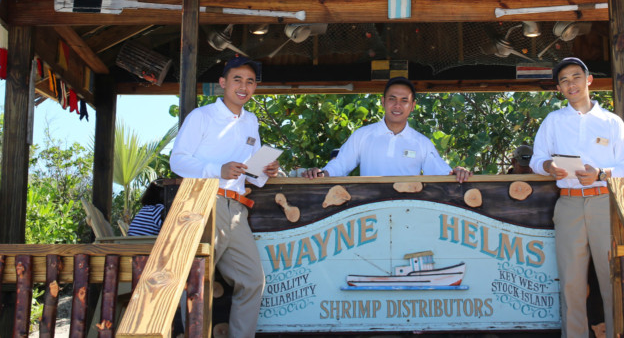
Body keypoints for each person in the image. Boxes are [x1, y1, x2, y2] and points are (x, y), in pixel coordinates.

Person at [169, 57, 280, 338]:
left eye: (250, 81)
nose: (244, 87)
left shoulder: (251, 121)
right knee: (196, 279)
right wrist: (216, 170)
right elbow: (178, 161)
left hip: (237, 210)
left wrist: (266, 171)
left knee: (253, 280)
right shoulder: (201, 116)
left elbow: (250, 173)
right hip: (206, 203)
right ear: (223, 83)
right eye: (237, 80)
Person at [530, 57, 624, 338]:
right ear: (559, 88)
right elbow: (536, 159)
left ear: (589, 80)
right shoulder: (553, 121)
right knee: (571, 283)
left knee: (612, 277)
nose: (571, 84)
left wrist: (601, 173)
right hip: (568, 203)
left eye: (576, 77)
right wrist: (547, 167)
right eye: (564, 80)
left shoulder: (611, 122)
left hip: (605, 203)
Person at [302, 77, 471, 182]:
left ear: (412, 106)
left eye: (404, 100)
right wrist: (321, 174)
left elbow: (441, 173)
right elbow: (339, 166)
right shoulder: (363, 135)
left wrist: (458, 172)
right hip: (369, 217)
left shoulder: (422, 143)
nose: (397, 105)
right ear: (383, 102)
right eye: (392, 99)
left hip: (409, 216)